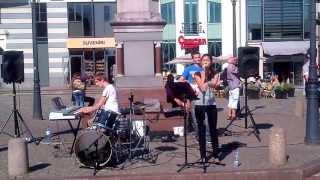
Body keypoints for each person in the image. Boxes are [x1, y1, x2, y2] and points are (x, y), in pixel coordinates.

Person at [193, 54, 221, 162]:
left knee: (213, 129)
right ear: (200, 62)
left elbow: (215, 85)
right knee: (201, 129)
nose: (205, 61)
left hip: (211, 103)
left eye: (207, 60)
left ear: (211, 62)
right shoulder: (197, 73)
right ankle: (203, 155)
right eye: (203, 60)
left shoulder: (216, 73)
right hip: (199, 104)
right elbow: (203, 88)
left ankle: (215, 154)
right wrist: (204, 72)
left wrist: (214, 83)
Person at [179, 51, 203, 133]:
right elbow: (181, 80)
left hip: (203, 94)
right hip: (192, 94)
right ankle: (197, 133)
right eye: (196, 58)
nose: (198, 59)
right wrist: (190, 86)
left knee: (202, 115)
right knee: (193, 113)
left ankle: (203, 131)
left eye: (199, 57)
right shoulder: (189, 69)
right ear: (193, 59)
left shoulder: (204, 68)